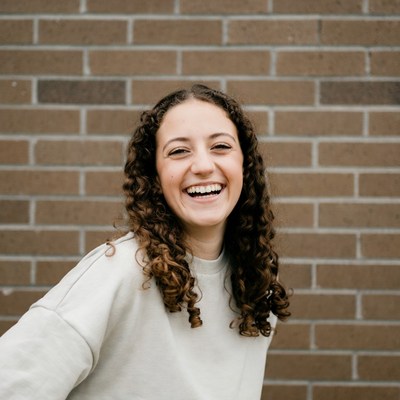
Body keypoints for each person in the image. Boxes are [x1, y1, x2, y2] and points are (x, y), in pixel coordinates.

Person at [0, 84, 290, 399]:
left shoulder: (257, 283)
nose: (204, 166)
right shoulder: (120, 272)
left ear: (244, 165)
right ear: (155, 176)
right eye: (179, 151)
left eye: (220, 146)